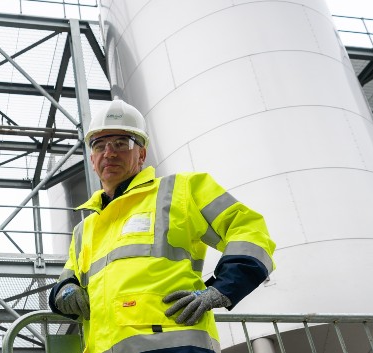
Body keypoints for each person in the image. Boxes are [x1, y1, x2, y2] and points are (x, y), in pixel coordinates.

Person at [49, 98, 276, 353]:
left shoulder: (181, 191)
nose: (109, 152)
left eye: (121, 143)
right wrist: (64, 290)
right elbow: (68, 278)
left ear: (141, 154)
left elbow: (248, 227)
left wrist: (222, 287)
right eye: (99, 145)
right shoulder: (85, 229)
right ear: (92, 159)